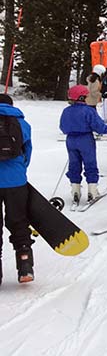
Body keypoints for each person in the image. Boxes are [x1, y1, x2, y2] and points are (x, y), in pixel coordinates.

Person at [0, 94, 34, 283]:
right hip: (15, 181)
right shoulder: (22, 124)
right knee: (18, 221)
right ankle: (25, 266)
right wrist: (19, 170)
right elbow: (27, 152)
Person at [59, 85, 107, 204]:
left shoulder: (66, 111)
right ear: (81, 97)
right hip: (85, 139)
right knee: (90, 163)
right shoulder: (88, 110)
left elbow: (62, 127)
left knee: (74, 164)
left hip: (71, 140)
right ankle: (92, 190)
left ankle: (75, 189)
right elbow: (99, 127)